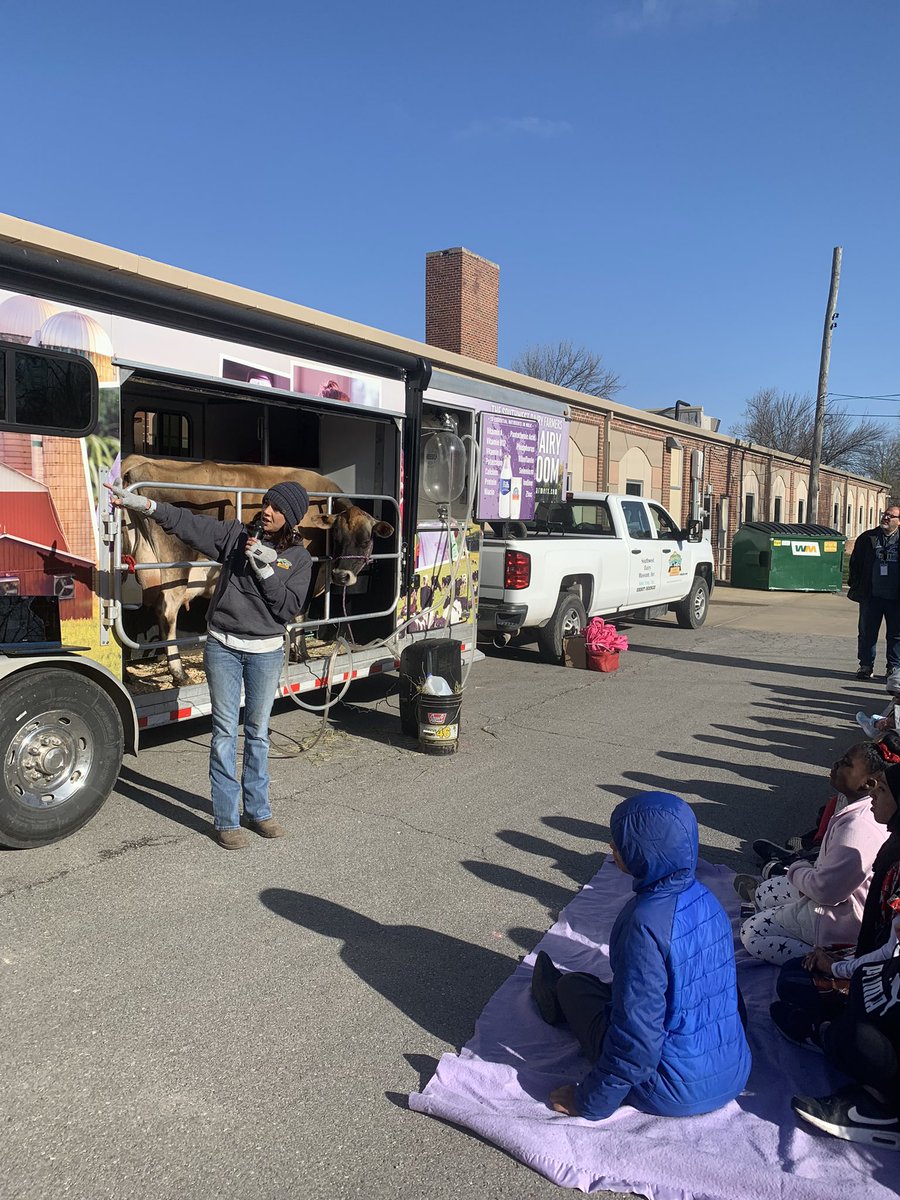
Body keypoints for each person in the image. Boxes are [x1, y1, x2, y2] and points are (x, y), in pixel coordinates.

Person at [107, 479, 312, 850]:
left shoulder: (298, 559)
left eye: (278, 509)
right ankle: (226, 818)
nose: (267, 511)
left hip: (265, 653)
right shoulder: (234, 537)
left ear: (292, 518)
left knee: (258, 733)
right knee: (223, 735)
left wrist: (265, 570)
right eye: (266, 503)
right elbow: (186, 523)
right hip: (223, 648)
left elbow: (287, 608)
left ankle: (259, 811)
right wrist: (145, 505)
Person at [532, 791, 751, 1121]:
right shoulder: (709, 900)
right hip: (733, 1070)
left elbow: (638, 1040)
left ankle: (556, 994)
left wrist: (590, 1101)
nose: (612, 847)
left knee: (575, 986)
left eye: (619, 841)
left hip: (670, 1089)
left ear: (643, 852)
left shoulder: (643, 923)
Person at [776, 765, 900, 1148]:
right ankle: (834, 1027)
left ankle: (884, 1105)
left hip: (884, 979)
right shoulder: (893, 844)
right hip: (882, 975)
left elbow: (892, 949)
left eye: (886, 789)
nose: (875, 789)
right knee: (796, 980)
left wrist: (837, 967)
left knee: (854, 1036)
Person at [737, 742, 888, 965]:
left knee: (751, 933)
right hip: (829, 894)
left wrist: (798, 868)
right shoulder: (858, 806)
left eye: (846, 763)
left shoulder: (859, 826)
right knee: (763, 891)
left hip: (839, 920)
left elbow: (826, 892)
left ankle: (828, 960)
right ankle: (782, 912)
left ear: (868, 783)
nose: (836, 764)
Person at [848, 502, 900, 681]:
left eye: (890, 516)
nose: (885, 517)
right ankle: (865, 665)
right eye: (885, 514)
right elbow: (855, 563)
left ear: (899, 521)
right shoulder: (868, 538)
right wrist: (856, 585)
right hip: (871, 596)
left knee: (896, 634)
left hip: (896, 599)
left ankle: (893, 667)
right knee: (867, 633)